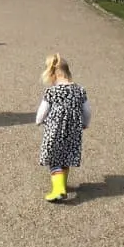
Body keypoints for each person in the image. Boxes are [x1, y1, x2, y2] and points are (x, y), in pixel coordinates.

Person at [35, 53, 91, 203]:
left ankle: (59, 189)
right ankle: (62, 184)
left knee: (54, 158)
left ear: (53, 74)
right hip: (73, 131)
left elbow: (43, 110)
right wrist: (85, 122)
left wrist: (39, 120)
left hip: (54, 130)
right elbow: (87, 110)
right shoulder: (80, 90)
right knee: (66, 156)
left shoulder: (52, 92)